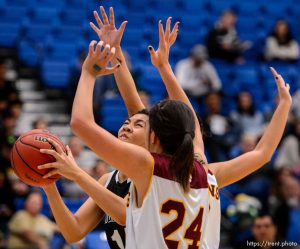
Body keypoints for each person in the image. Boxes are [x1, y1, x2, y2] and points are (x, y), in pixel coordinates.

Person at [39, 7, 292, 249]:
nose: (128, 122)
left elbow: (86, 123)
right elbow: (260, 153)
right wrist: (124, 55)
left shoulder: (147, 167)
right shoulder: (200, 168)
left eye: (139, 123)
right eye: (127, 121)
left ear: (154, 137)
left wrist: (89, 72)